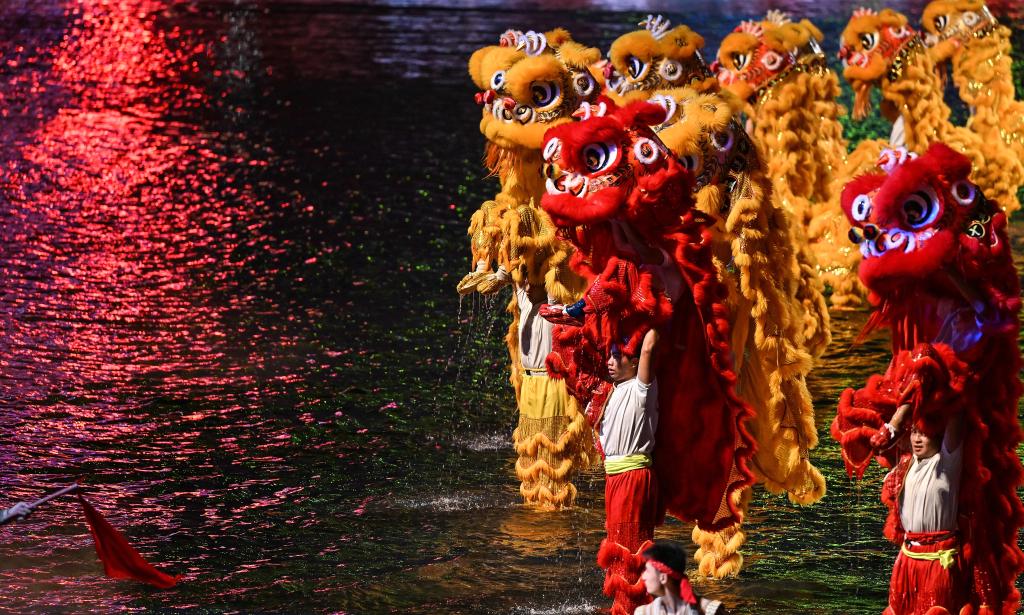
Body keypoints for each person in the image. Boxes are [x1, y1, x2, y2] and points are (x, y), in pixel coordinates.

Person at [875, 402, 966, 615]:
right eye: (915, 432)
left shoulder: (947, 463)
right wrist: (899, 417)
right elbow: (879, 439)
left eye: (924, 434)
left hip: (938, 559)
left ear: (939, 436)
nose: (917, 439)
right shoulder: (906, 463)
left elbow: (957, 410)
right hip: (907, 557)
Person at [597, 327, 663, 614]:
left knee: (630, 548)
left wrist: (660, 309)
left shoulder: (642, 388)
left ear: (635, 362)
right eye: (609, 356)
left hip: (632, 478)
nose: (610, 362)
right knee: (618, 545)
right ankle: (628, 605)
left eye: (617, 356)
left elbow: (648, 345)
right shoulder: (612, 391)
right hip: (615, 478)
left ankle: (632, 607)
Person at [637, 541, 727, 615]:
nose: (643, 576)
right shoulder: (643, 612)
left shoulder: (709, 610)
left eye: (647, 571)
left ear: (663, 577)